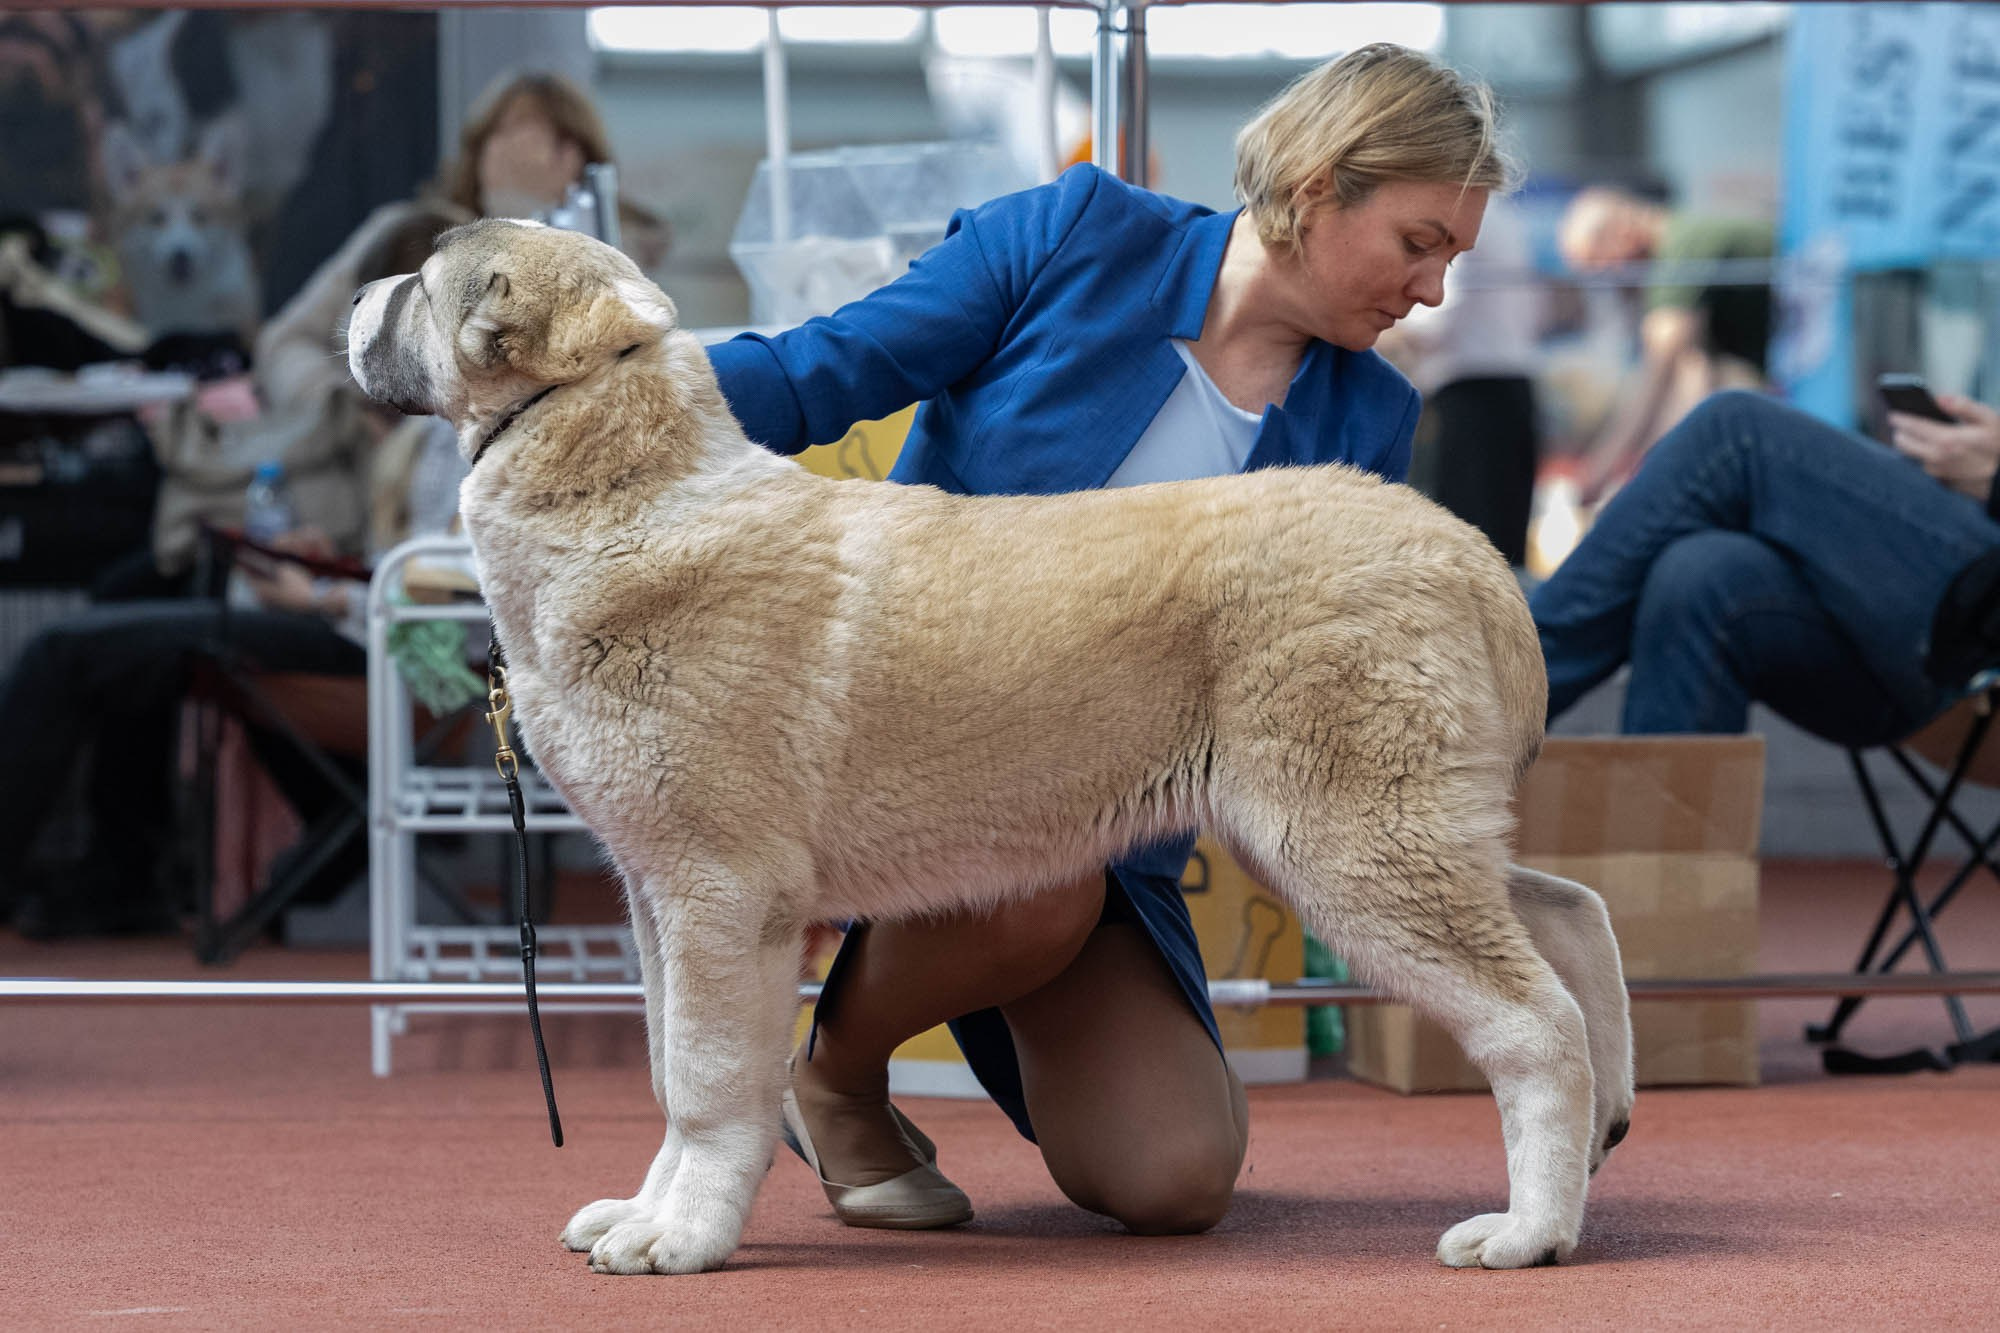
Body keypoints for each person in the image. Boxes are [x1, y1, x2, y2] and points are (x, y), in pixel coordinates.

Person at [704, 43, 1510, 1235]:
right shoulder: (1071, 234)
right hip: (899, 758)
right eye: (1418, 243)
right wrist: (591, 395)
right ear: (1318, 185)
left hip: (1116, 835)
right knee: (1034, 882)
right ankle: (834, 1072)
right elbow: (819, 373)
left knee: (1175, 1178)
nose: (1432, 292)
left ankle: (896, 1015)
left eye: (1451, 258)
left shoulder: (1371, 415)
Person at [0, 206, 466, 938]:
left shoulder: (465, 428)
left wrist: (320, 594)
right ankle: (148, 869)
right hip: (378, 634)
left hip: (400, 660)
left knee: (64, 651)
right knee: (112, 626)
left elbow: (451, 590)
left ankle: (122, 873)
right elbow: (434, 572)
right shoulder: (446, 417)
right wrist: (332, 573)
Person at [1531, 387, 2000, 746]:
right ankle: (1666, 870)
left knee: (1733, 431)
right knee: (1698, 575)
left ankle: (1495, 708)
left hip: (1978, 625)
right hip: (1947, 638)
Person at [1556, 186, 1775, 504]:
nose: (1609, 282)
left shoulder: (1682, 252)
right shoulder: (1684, 246)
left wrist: (1598, 473)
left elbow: (1656, 377)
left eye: (1600, 265)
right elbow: (1692, 380)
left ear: (1622, 232)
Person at [1386, 191, 1546, 566]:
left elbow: (1437, 317)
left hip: (1471, 395)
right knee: (1503, 545)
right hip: (1508, 386)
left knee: (1467, 544)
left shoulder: (1468, 214)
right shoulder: (1504, 214)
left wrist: (1367, 332)